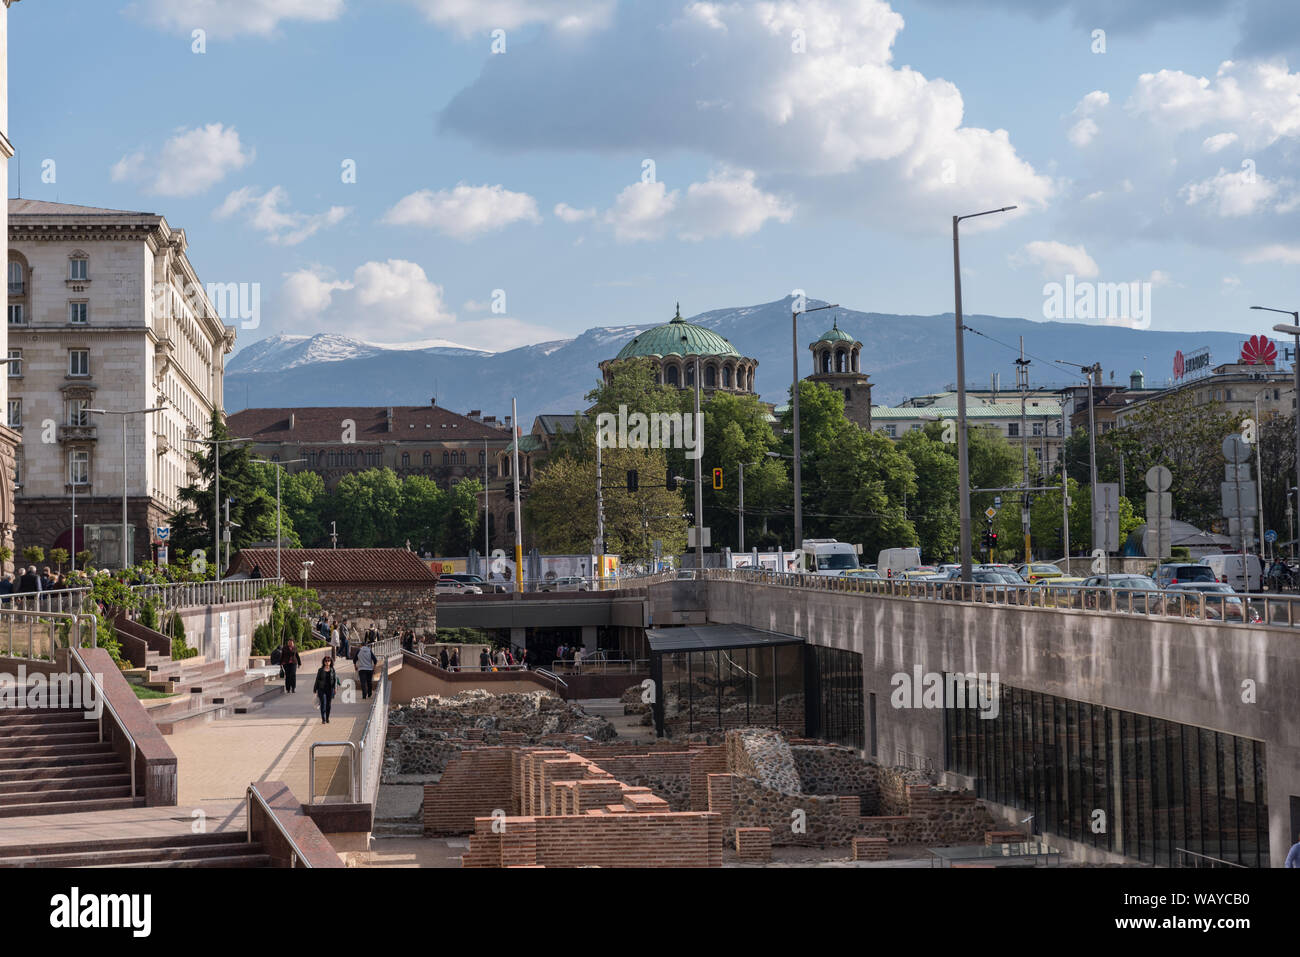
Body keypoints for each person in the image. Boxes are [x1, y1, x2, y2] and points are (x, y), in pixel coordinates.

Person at [313, 656, 340, 723]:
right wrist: (315, 689)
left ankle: (327, 718)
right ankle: (323, 719)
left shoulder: (332, 670)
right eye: (326, 661)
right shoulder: (320, 670)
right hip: (321, 689)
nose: (327, 662)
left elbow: (335, 680)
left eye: (328, 661)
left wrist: (335, 688)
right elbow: (317, 679)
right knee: (323, 703)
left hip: (330, 690)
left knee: (328, 705)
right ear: (324, 662)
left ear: (331, 662)